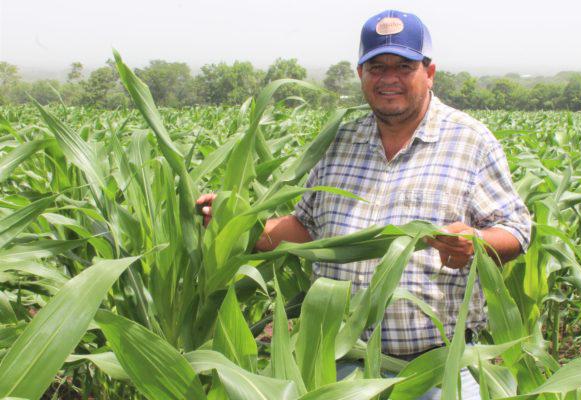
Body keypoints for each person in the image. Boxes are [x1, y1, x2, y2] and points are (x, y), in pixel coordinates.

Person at [197, 9, 531, 399]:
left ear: (430, 72)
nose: (388, 78)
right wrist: (235, 225)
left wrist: (475, 241)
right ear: (360, 75)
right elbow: (305, 228)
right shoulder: (338, 142)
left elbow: (516, 229)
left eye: (403, 66)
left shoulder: (470, 141)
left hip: (436, 369)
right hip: (335, 364)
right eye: (376, 67)